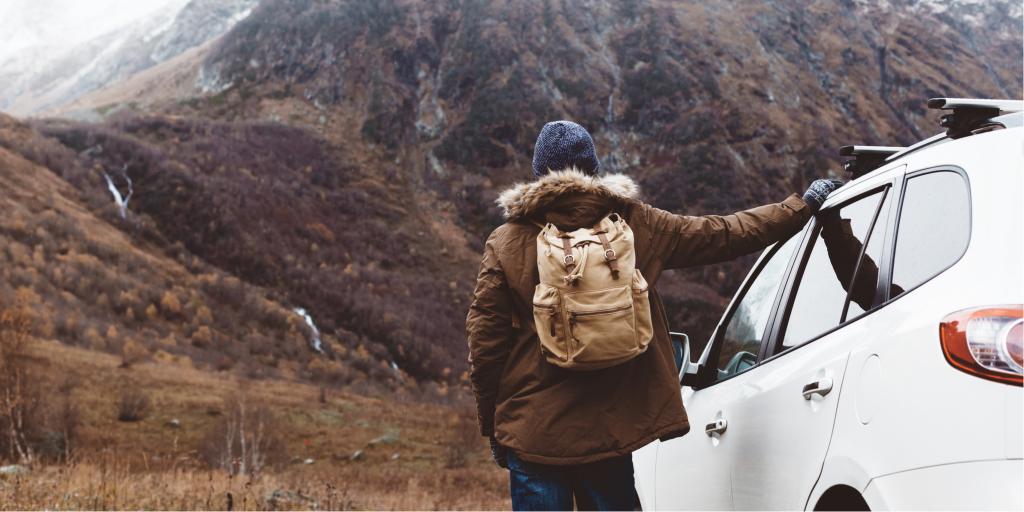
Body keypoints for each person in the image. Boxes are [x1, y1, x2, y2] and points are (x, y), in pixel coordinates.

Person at [466, 120, 841, 511]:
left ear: (538, 173)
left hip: (534, 434)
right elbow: (725, 233)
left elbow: (485, 343)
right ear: (593, 169)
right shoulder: (633, 223)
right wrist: (802, 206)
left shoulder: (507, 242)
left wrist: (493, 425)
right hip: (610, 433)